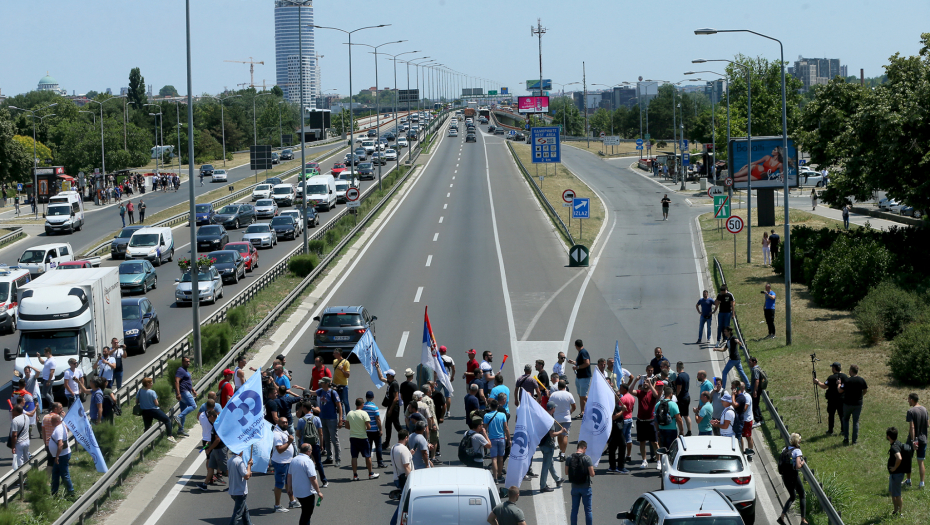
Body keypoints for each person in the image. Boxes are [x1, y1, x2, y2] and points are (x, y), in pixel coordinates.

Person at [287, 443, 323, 525]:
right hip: (307, 493)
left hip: (297, 492)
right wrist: (318, 492)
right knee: (307, 515)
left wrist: (289, 488)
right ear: (308, 451)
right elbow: (313, 478)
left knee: (305, 512)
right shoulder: (308, 461)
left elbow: (289, 476)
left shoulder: (294, 460)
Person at [776, 433, 807, 525]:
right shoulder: (797, 451)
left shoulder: (784, 449)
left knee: (792, 496)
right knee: (802, 495)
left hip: (785, 476)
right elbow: (797, 466)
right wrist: (802, 463)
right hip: (793, 476)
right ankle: (803, 520)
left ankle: (781, 517)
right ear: (798, 441)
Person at [630, 374, 659, 469]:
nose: (645, 383)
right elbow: (630, 391)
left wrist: (650, 383)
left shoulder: (652, 393)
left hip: (650, 421)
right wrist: (635, 380)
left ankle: (659, 461)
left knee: (654, 442)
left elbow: (656, 395)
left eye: (647, 382)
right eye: (644, 382)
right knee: (642, 442)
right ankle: (644, 460)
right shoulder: (639, 392)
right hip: (641, 421)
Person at [270, 417, 299, 512]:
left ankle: (292, 501)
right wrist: (289, 442)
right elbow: (279, 450)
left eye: (286, 422)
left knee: (288, 482)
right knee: (279, 484)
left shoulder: (283, 430)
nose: (285, 424)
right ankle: (277, 505)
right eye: (283, 422)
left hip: (286, 461)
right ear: (278, 423)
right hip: (281, 463)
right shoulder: (277, 434)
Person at [349, 396, 381, 478]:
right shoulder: (364, 413)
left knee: (354, 457)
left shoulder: (350, 413)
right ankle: (370, 473)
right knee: (367, 456)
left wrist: (354, 427)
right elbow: (369, 427)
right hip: (363, 437)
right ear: (362, 404)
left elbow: (346, 426)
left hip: (353, 437)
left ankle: (355, 475)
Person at [566, 440, 595, 525]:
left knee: (574, 510)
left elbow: (566, 472)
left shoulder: (569, 457)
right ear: (584, 448)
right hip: (586, 487)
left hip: (574, 487)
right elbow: (592, 474)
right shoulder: (587, 458)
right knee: (588, 511)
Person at [539, 402, 566, 491]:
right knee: (546, 467)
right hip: (548, 445)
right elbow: (552, 434)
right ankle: (543, 486)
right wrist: (561, 431)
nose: (555, 409)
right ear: (553, 408)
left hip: (542, 444)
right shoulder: (550, 420)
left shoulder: (543, 417)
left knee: (550, 463)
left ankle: (557, 479)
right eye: (554, 407)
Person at [814, 362, 846, 435]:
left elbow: (824, 386)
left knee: (831, 415)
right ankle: (843, 430)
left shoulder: (831, 378)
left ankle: (830, 430)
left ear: (834, 368)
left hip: (832, 400)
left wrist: (817, 382)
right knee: (842, 415)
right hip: (842, 399)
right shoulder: (845, 377)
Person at [838, 364, 868, 446]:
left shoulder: (847, 381)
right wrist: (861, 395)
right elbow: (865, 390)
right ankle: (854, 441)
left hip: (847, 404)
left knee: (846, 420)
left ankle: (846, 438)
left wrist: (839, 384)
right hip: (858, 404)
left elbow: (840, 390)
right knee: (856, 422)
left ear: (851, 371)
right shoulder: (862, 380)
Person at [316, 377, 342, 467]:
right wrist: (301, 388)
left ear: (327, 383)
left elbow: (339, 406)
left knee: (334, 440)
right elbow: (312, 393)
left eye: (322, 383)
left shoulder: (333, 393)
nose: (321, 384)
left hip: (331, 419)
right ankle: (329, 457)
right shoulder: (321, 391)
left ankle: (338, 459)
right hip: (323, 418)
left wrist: (340, 419)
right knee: (326, 440)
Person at [607, 384, 633, 474]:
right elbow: (613, 417)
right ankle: (620, 467)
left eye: (619, 395)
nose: (619, 396)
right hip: (616, 428)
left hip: (615, 428)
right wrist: (622, 410)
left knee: (612, 447)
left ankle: (612, 466)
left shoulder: (615, 404)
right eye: (617, 395)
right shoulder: (613, 405)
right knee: (622, 445)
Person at [483, 398, 510, 483]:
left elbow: (485, 428)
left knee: (494, 458)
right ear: (497, 406)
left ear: (490, 406)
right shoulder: (502, 415)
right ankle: (499, 475)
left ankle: (495, 478)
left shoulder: (486, 416)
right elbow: (506, 428)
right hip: (501, 439)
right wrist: (509, 439)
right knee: (501, 458)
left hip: (492, 439)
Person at [548, 380, 575, 461]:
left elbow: (549, 405)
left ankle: (561, 450)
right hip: (567, 418)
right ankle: (562, 453)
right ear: (565, 386)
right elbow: (574, 406)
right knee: (565, 435)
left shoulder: (553, 395)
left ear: (558, 387)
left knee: (560, 435)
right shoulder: (569, 394)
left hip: (557, 419)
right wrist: (570, 412)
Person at [49, 413, 74, 497]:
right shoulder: (62, 424)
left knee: (64, 474)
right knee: (55, 473)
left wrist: (57, 457)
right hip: (62, 455)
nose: (50, 423)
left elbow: (60, 444)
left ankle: (71, 492)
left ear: (56, 421)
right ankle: (54, 492)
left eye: (52, 421)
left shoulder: (58, 429)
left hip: (61, 456)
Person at [905, 393, 927, 488]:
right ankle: (922, 483)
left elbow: (912, 427)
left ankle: (908, 480)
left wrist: (913, 441)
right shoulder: (924, 409)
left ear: (912, 400)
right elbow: (928, 424)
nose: (908, 401)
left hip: (913, 439)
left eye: (908, 399)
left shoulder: (911, 411)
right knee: (921, 461)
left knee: (907, 459)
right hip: (923, 439)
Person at [886, 427, 909, 517]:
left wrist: (895, 467)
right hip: (894, 474)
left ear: (888, 436)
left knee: (897, 494)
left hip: (896, 474)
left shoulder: (894, 447)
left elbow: (899, 458)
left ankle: (900, 513)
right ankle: (895, 510)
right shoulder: (898, 443)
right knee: (893, 492)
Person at [228, 450, 254, 525]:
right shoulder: (239, 462)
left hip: (233, 490)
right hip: (240, 491)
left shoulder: (230, 460)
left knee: (245, 510)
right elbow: (246, 476)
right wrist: (249, 465)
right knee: (237, 514)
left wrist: (248, 472)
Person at [173, 356, 197, 437]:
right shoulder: (180, 370)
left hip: (186, 391)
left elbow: (187, 382)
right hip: (183, 392)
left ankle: (180, 430)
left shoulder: (185, 371)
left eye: (189, 361)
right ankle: (178, 417)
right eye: (186, 361)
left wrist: (193, 390)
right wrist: (178, 393)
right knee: (193, 406)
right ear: (182, 362)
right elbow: (176, 381)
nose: (188, 363)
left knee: (184, 410)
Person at [572, 339, 592, 416]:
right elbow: (581, 362)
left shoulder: (583, 352)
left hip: (584, 377)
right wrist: (574, 362)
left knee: (583, 396)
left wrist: (577, 367)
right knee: (581, 395)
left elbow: (587, 363)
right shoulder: (581, 352)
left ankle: (595, 406)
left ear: (576, 346)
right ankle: (583, 412)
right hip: (579, 377)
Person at [673, 362, 692, 436]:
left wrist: (676, 397)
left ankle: (681, 432)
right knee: (686, 415)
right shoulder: (687, 375)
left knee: (679, 416)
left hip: (681, 399)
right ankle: (689, 431)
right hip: (687, 396)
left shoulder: (679, 377)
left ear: (677, 368)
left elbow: (679, 389)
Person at [332, 349, 351, 417]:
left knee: (345, 402)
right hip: (336, 385)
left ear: (338, 354)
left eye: (334, 353)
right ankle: (342, 417)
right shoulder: (334, 361)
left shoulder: (346, 362)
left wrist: (342, 370)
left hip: (343, 385)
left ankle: (349, 417)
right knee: (339, 403)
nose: (333, 355)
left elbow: (348, 375)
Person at [10, 405, 30, 469]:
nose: (12, 411)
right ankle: (29, 473)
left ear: (16, 411)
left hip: (19, 443)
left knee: (19, 461)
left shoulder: (15, 420)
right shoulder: (26, 417)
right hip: (27, 441)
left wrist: (13, 446)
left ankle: (22, 477)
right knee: (26, 458)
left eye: (13, 410)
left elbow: (14, 435)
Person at [439, 345, 455, 415]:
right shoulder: (449, 359)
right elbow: (453, 369)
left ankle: (437, 408)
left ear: (439, 351)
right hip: (447, 379)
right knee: (448, 396)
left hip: (438, 379)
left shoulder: (437, 359)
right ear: (445, 351)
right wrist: (452, 377)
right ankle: (448, 411)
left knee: (435, 394)